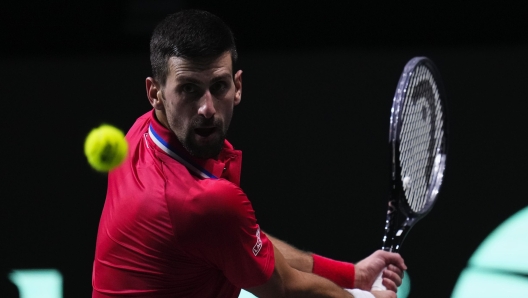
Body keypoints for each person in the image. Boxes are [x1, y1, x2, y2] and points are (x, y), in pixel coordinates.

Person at [91, 9, 406, 298]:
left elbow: (241, 240)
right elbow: (282, 288)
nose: (207, 109)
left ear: (237, 86)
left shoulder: (138, 134)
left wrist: (352, 275)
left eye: (219, 86)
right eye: (189, 89)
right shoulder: (200, 204)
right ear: (155, 94)